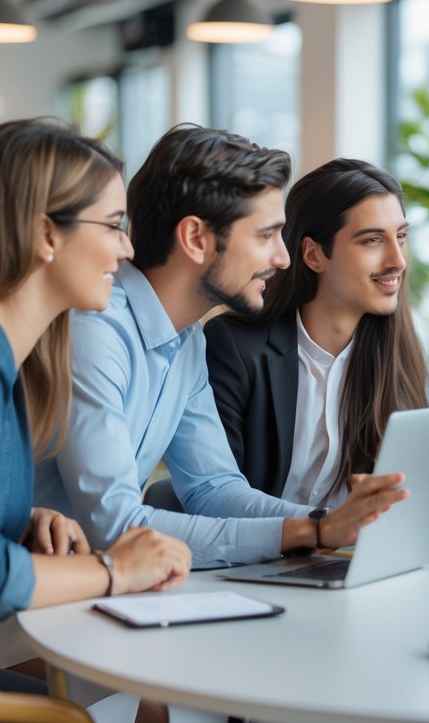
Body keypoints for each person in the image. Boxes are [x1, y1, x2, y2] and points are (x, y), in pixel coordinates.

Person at [0, 119, 191, 698]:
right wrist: (115, 570)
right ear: (45, 234)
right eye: (113, 226)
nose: (127, 248)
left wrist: (18, 521)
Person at [34, 126, 407, 568]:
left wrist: (332, 522)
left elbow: (213, 487)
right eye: (265, 236)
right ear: (195, 238)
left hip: (95, 586)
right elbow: (115, 525)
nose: (283, 258)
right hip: (22, 608)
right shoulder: (96, 328)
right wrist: (312, 531)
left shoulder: (186, 339)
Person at [205, 158, 429, 508]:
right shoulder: (234, 348)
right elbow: (217, 498)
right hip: (259, 556)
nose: (397, 260)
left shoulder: (400, 354)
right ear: (314, 255)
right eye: (372, 240)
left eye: (400, 237)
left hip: (358, 557)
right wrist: (320, 530)